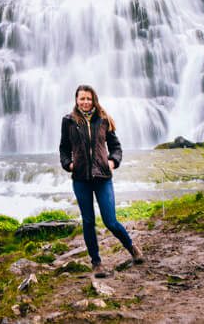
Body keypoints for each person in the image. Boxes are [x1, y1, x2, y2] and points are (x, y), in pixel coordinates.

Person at [59, 84, 143, 277]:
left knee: (110, 221)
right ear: (76, 100)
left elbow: (116, 147)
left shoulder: (103, 119)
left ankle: (132, 248)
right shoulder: (69, 121)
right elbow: (64, 148)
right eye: (82, 98)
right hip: (80, 179)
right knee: (88, 221)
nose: (85, 102)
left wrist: (113, 162)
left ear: (94, 100)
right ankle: (96, 263)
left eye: (89, 99)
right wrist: (69, 164)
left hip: (103, 177)